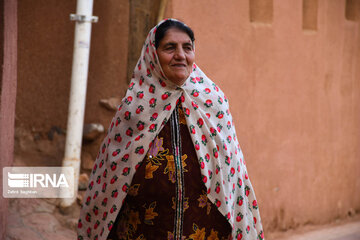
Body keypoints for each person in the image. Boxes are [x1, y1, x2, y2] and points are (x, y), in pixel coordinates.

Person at [77, 19, 264, 240]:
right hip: (142, 231)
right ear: (153, 55)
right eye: (169, 47)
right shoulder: (134, 108)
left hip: (206, 230)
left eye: (187, 47)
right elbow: (109, 177)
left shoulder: (213, 102)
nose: (180, 55)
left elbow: (234, 174)